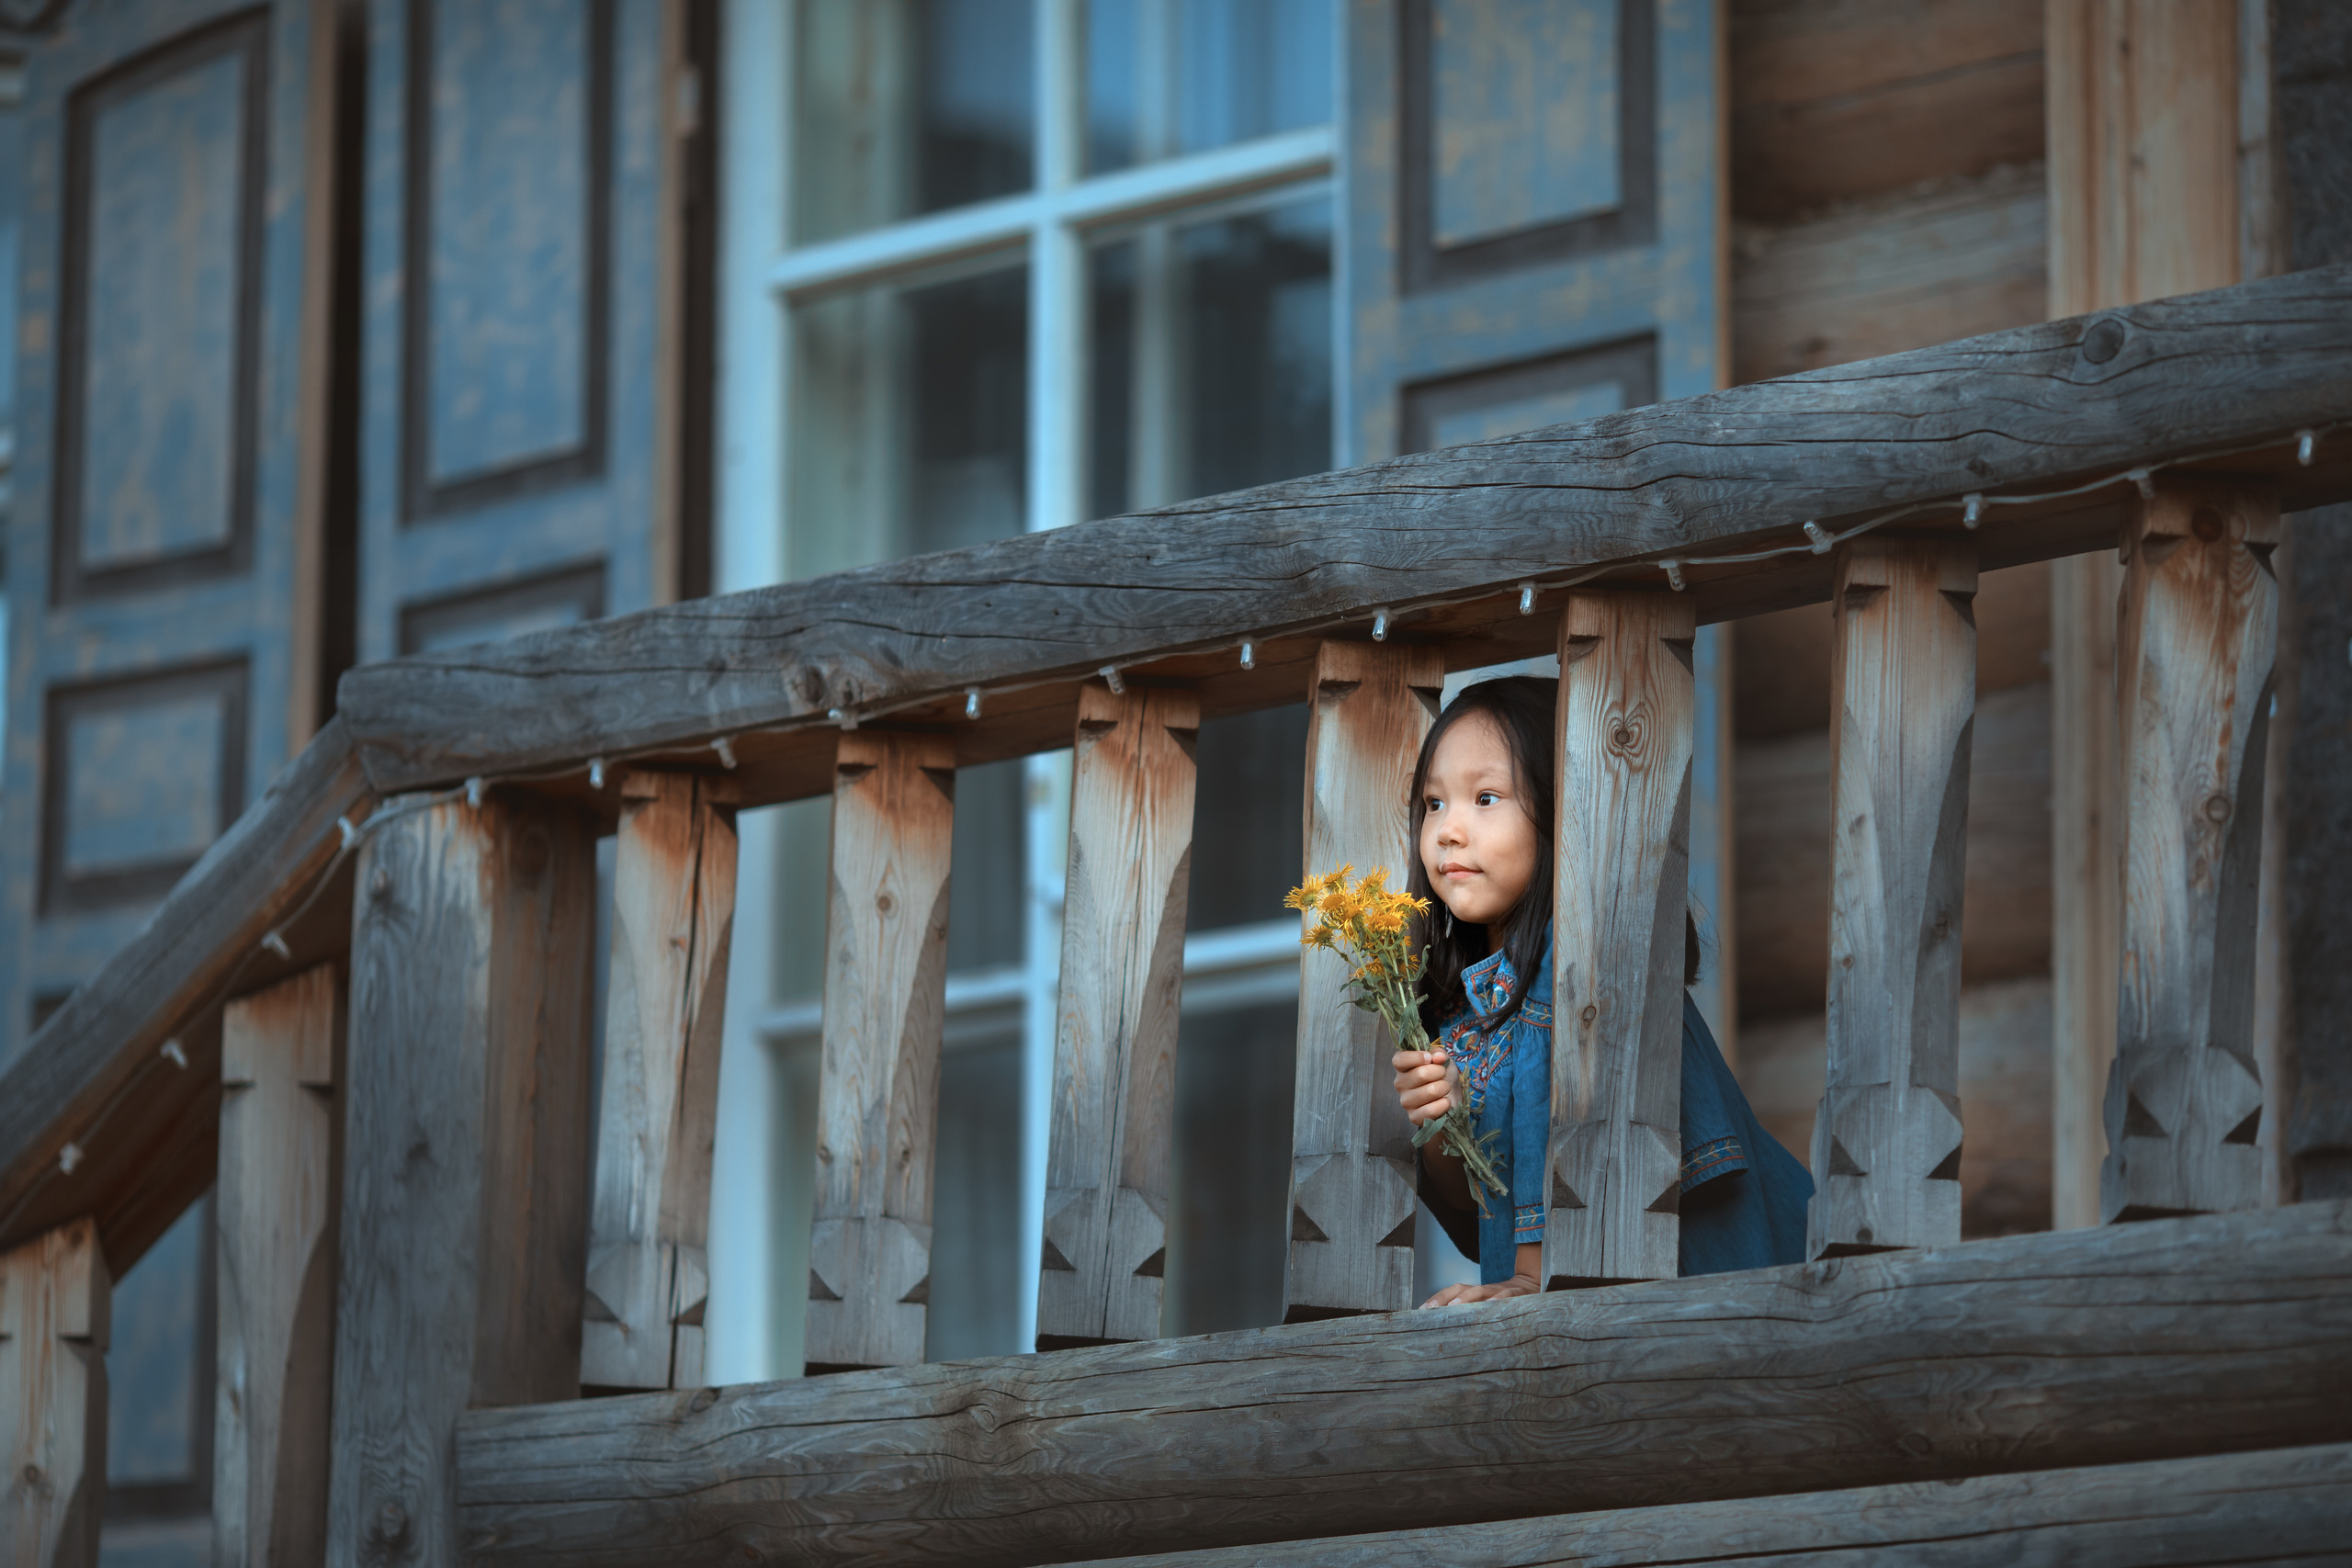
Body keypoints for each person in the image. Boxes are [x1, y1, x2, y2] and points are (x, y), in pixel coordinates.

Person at [1393, 676, 1812, 1305]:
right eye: (1433, 803)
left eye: (1484, 797)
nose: (1448, 829)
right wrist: (1446, 1123)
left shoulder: (1585, 951)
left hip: (1731, 1281)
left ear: (1562, 806)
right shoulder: (1462, 1014)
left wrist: (1535, 1278)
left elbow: (1545, 1106)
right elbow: (1476, 1218)